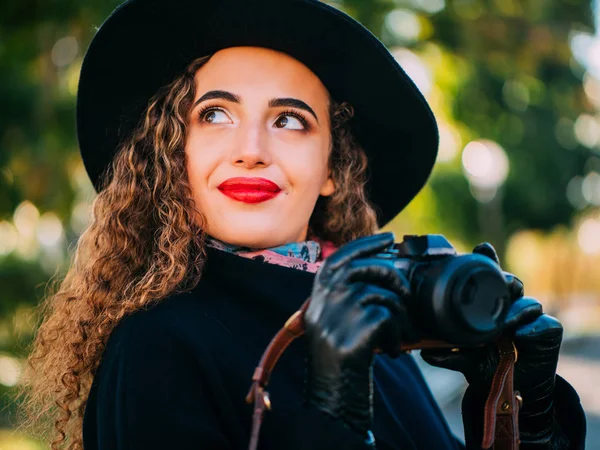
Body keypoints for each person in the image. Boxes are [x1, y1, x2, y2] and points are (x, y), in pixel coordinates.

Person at [18, 0, 586, 449]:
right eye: (215, 113)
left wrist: (526, 419)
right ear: (175, 155)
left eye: (289, 120)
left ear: (332, 169)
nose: (251, 149)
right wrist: (332, 415)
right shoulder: (156, 348)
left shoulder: (376, 328)